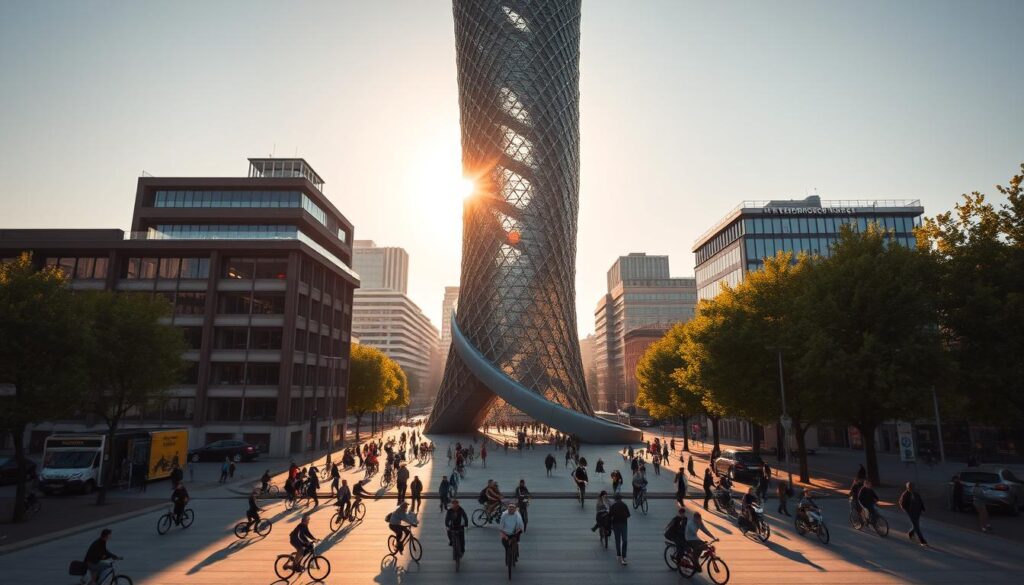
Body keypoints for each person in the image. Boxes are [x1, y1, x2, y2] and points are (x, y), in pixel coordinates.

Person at [898, 481, 928, 546]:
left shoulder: (916, 493)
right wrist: (907, 510)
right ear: (907, 488)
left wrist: (923, 509)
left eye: (913, 487)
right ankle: (922, 541)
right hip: (911, 512)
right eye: (910, 487)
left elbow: (920, 501)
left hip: (917, 511)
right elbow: (902, 504)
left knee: (916, 525)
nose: (912, 489)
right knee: (917, 526)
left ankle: (911, 533)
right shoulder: (905, 495)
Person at [608, 493, 630, 565]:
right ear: (621, 498)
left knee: (617, 540)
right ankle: (623, 556)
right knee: (625, 540)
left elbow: (609, 515)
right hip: (624, 524)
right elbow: (628, 515)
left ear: (615, 499)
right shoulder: (624, 505)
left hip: (616, 524)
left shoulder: (613, 506)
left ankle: (619, 554)